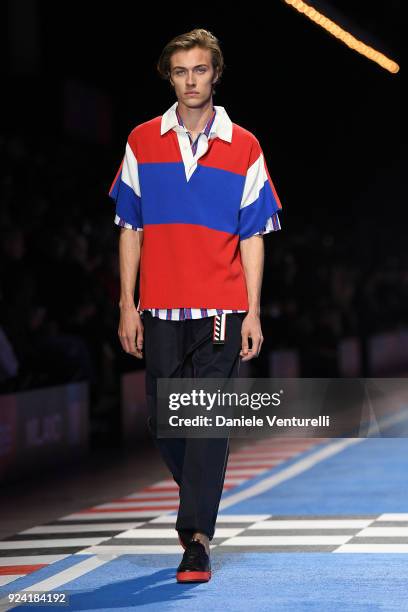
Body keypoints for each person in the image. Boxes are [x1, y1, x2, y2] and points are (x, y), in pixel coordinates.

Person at [108, 28, 283, 583]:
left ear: (216, 73)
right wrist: (126, 303)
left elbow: (254, 234)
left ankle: (196, 540)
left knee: (205, 421)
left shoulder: (245, 145)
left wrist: (253, 310)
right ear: (169, 76)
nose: (190, 80)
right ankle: (202, 494)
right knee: (164, 421)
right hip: (158, 306)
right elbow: (129, 226)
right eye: (180, 71)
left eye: (200, 69)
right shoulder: (142, 140)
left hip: (220, 311)